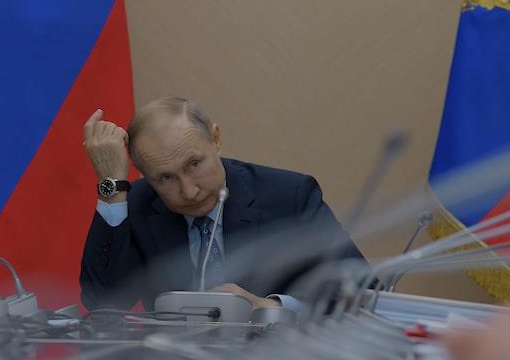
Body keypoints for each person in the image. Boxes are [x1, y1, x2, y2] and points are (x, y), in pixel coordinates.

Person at [79, 96, 364, 311]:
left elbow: (360, 291)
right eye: (165, 178)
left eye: (194, 164)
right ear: (144, 174)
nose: (189, 191)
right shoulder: (138, 203)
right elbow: (102, 304)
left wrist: (268, 308)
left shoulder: (289, 196)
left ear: (215, 139)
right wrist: (111, 188)